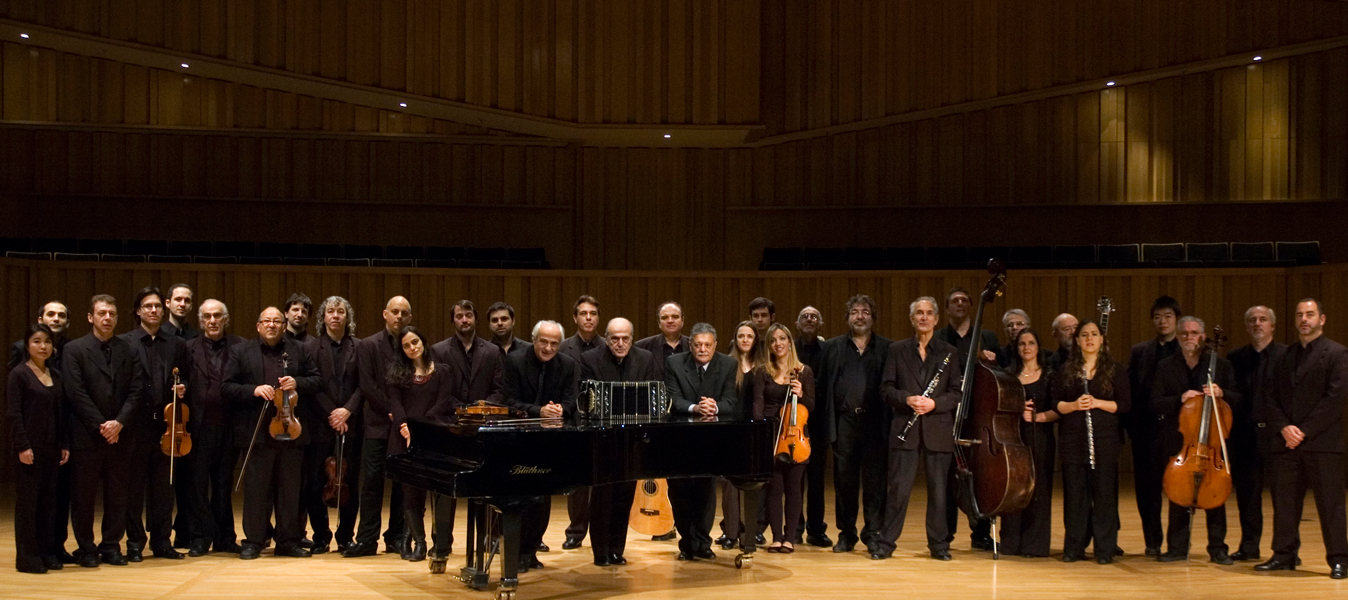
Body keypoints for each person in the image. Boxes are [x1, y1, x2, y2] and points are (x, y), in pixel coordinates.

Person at [1256, 299, 1348, 579]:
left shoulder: (1338, 353)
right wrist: (1285, 427)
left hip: (1323, 443)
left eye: (1310, 314)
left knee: (1330, 504)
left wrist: (1303, 430)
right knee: (1284, 503)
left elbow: (1335, 400)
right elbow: (1269, 396)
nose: (1304, 319)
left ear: (1322, 319)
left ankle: (1339, 560)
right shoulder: (1285, 355)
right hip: (1287, 442)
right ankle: (1284, 555)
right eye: (1299, 315)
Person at [222, 307, 322, 560]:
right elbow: (227, 387)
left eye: (277, 321)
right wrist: (253, 390)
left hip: (292, 429)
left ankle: (287, 541)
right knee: (256, 490)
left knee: (290, 490)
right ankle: (254, 541)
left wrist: (297, 382)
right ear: (258, 326)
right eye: (267, 321)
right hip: (256, 431)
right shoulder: (241, 351)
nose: (272, 325)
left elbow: (316, 379)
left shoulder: (299, 349)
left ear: (284, 324)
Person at [874, 296, 961, 561]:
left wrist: (934, 403)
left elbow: (957, 393)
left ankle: (939, 545)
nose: (924, 317)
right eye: (919, 313)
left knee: (939, 492)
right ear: (912, 319)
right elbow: (886, 389)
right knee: (898, 490)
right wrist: (908, 399)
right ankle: (886, 543)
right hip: (905, 429)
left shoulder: (949, 352)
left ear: (936, 319)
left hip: (938, 430)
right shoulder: (897, 350)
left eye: (929, 313)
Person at [1151, 316, 1240, 564]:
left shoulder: (1221, 366)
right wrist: (1180, 398)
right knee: (1178, 492)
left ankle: (1218, 548)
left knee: (1215, 493)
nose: (1190, 337)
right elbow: (1155, 401)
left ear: (1203, 336)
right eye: (1185, 334)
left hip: (1212, 444)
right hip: (1181, 442)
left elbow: (1239, 399)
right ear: (1178, 337)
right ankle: (1177, 547)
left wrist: (1223, 394)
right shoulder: (1165, 365)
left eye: (1195, 333)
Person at [65, 294, 142, 568]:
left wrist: (119, 422)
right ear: (91, 317)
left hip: (121, 435)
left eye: (111, 313)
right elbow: (76, 393)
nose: (107, 318)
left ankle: (111, 546)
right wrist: (103, 426)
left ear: (117, 318)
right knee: (83, 497)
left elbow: (136, 391)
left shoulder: (129, 349)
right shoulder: (74, 349)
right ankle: (86, 548)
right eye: (101, 313)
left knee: (118, 496)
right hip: (87, 436)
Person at [430, 300, 507, 558]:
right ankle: (441, 543)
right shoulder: (439, 351)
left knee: (485, 485)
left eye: (469, 315)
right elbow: (439, 391)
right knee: (445, 487)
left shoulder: (493, 351)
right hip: (451, 428)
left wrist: (478, 410)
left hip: (483, 428)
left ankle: (488, 538)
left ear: (475, 319)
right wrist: (462, 410)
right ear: (453, 321)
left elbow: (499, 390)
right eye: (460, 316)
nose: (465, 320)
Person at [119, 286, 190, 562]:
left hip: (167, 426)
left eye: (158, 307)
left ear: (164, 310)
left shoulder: (176, 343)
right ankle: (135, 542)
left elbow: (186, 378)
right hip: (136, 426)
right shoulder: (124, 342)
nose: (153, 311)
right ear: (138, 311)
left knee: (164, 488)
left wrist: (183, 387)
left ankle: (162, 541)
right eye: (147, 306)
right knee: (134, 489)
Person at [1052, 319, 1130, 564]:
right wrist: (1075, 405)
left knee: (1105, 496)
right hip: (1073, 441)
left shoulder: (1115, 369)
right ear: (1077, 340)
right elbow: (1056, 405)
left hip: (1105, 440)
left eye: (1094, 334)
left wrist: (1097, 403)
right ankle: (1074, 547)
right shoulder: (1066, 370)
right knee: (1075, 496)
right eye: (1084, 335)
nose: (1089, 339)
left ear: (1101, 339)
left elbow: (1125, 405)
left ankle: (1105, 549)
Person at [817, 295, 891, 555]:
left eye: (865, 311)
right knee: (844, 483)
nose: (860, 316)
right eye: (855, 312)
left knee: (874, 485)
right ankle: (846, 535)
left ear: (873, 316)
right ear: (847, 317)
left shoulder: (887, 348)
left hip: (874, 423)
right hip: (844, 422)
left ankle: (872, 534)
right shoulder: (832, 348)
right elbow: (822, 387)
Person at [502, 320, 578, 572]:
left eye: (554, 343)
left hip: (548, 442)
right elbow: (509, 401)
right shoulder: (514, 360)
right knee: (520, 498)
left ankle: (531, 551)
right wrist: (538, 411)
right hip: (518, 440)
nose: (548, 347)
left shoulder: (567, 364)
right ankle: (515, 552)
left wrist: (560, 410)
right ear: (534, 340)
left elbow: (571, 401)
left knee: (542, 499)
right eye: (543, 342)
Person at [580, 317, 657, 566]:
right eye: (614, 338)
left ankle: (617, 549)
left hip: (631, 440)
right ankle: (600, 551)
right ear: (606, 337)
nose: (620, 343)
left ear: (632, 339)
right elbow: (585, 401)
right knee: (602, 497)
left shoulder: (645, 358)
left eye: (625, 338)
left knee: (625, 495)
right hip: (601, 440)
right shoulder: (590, 359)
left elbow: (651, 396)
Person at [344, 296, 413, 558]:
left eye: (404, 313)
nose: (399, 317)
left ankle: (396, 537)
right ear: (385, 314)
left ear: (409, 317)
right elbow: (368, 385)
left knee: (400, 484)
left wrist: (402, 416)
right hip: (377, 424)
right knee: (372, 483)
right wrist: (393, 411)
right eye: (394, 312)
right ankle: (367, 539)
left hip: (404, 426)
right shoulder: (369, 344)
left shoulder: (412, 344)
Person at [663, 322, 739, 561]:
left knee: (706, 490)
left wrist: (714, 406)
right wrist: (695, 407)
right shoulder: (674, 363)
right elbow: (672, 398)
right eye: (698, 345)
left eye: (707, 345)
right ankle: (687, 543)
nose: (702, 349)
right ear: (690, 344)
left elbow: (731, 400)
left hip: (711, 438)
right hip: (679, 438)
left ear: (715, 345)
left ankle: (703, 543)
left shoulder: (728, 364)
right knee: (680, 491)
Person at [8, 300, 73, 563]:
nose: (42, 346)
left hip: (52, 448)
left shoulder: (55, 375)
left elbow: (63, 412)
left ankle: (47, 552)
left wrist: (65, 443)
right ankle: (27, 556)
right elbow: (13, 413)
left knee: (49, 503)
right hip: (30, 448)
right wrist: (22, 446)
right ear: (27, 345)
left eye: (46, 342)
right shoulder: (19, 374)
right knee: (28, 504)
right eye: (36, 341)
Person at [389, 326, 461, 563]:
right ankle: (419, 542)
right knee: (410, 491)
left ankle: (440, 541)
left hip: (434, 437)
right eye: (406, 345)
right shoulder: (398, 373)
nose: (412, 348)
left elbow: (442, 403)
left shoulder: (442, 371)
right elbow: (397, 406)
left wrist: (420, 429)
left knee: (440, 491)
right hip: (404, 437)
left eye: (415, 342)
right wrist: (405, 427)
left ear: (423, 341)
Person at [933, 287, 998, 549]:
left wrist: (991, 361)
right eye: (954, 301)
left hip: (980, 416)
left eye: (964, 300)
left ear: (972, 306)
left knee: (982, 475)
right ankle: (944, 535)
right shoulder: (938, 339)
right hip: (948, 416)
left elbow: (999, 378)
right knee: (947, 478)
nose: (959, 304)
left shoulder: (988, 337)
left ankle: (981, 533)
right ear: (947, 308)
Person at [300, 296, 363, 554]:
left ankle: (346, 536)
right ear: (323, 318)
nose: (335, 316)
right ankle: (321, 536)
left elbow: (365, 384)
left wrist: (347, 410)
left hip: (352, 423)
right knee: (316, 482)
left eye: (340, 312)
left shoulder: (360, 347)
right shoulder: (311, 348)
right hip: (320, 423)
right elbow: (311, 387)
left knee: (350, 481)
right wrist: (332, 413)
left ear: (347, 317)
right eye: (330, 312)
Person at [184, 300, 246, 557]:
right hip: (198, 427)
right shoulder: (188, 348)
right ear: (200, 321)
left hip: (230, 426)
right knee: (197, 484)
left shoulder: (241, 346)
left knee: (223, 483)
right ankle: (201, 536)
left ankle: (225, 537)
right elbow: (183, 378)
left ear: (226, 318)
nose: (212, 320)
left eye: (217, 316)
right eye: (207, 316)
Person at [1226, 305, 1286, 561]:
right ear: (1246, 326)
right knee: (1248, 495)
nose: (1257, 324)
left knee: (1284, 497)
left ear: (1272, 326)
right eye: (1252, 320)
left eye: (1263, 320)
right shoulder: (1235, 357)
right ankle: (1250, 546)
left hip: (1277, 436)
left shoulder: (1287, 355)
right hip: (1245, 435)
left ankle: (1286, 549)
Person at [1126, 295, 1182, 557]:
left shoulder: (1186, 350)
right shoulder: (1140, 351)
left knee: (1176, 489)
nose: (1163, 321)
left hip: (1177, 431)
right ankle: (1152, 541)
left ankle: (1178, 543)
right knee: (1147, 491)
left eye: (1168, 316)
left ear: (1177, 320)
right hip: (1146, 431)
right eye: (1158, 316)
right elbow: (1131, 390)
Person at [755, 324, 815, 554]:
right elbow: (758, 403)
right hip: (771, 432)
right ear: (769, 345)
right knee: (773, 489)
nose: (778, 343)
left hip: (795, 433)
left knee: (794, 489)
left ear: (789, 342)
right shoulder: (764, 371)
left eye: (782, 338)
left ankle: (790, 537)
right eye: (773, 340)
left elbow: (812, 406)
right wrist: (760, 432)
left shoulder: (803, 371)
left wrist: (801, 394)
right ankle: (776, 537)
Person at [1005, 328, 1057, 558]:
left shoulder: (1049, 375)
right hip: (1012, 438)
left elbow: (1059, 409)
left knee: (1038, 490)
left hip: (1040, 438)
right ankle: (1010, 543)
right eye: (1022, 344)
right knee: (1013, 489)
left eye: (1031, 343)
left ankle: (1035, 545)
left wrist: (1039, 416)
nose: (1026, 347)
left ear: (1038, 347)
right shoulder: (1008, 375)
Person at [717, 321, 766, 549]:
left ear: (755, 340)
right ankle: (731, 531)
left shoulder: (764, 366)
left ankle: (753, 531)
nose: (745, 340)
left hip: (755, 430)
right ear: (735, 340)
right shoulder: (726, 364)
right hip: (731, 429)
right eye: (741, 336)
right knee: (729, 483)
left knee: (754, 483)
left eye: (749, 336)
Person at [559, 295, 602, 550]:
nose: (588, 317)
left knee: (600, 479)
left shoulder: (608, 345)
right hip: (572, 421)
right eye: (583, 313)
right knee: (576, 481)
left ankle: (599, 529)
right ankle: (575, 531)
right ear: (575, 318)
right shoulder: (563, 348)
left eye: (593, 313)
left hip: (599, 421)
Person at [793, 305, 831, 547]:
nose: (809, 319)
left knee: (817, 481)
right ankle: (794, 528)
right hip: (793, 421)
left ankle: (816, 530)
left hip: (818, 421)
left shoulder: (829, 350)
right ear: (797, 324)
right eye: (804, 316)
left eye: (814, 317)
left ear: (821, 325)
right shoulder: (789, 348)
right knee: (795, 480)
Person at [634, 302, 690, 380]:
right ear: (659, 322)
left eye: (675, 316)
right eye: (664, 317)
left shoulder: (693, 346)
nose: (670, 321)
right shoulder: (642, 347)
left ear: (682, 320)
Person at [9, 301, 70, 371]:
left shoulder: (72, 348)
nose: (56, 319)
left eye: (61, 315)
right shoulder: (22, 347)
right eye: (50, 314)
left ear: (67, 323)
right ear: (40, 320)